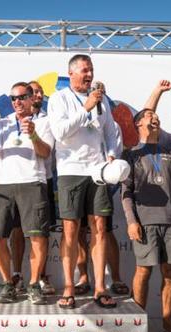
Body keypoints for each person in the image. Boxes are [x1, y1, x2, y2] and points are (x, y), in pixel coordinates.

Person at [48, 54, 122, 309]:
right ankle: (69, 286)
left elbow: (111, 133)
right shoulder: (59, 99)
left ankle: (100, 286)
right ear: (71, 73)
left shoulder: (102, 100)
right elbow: (60, 133)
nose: (89, 74)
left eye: (91, 70)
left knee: (100, 228)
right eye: (84, 70)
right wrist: (86, 107)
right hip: (70, 171)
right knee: (70, 231)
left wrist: (111, 154)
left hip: (98, 171)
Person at [121, 104, 171, 332]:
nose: (154, 118)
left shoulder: (170, 152)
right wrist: (132, 221)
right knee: (143, 271)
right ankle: (138, 321)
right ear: (138, 125)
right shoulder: (131, 154)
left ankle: (167, 321)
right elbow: (126, 192)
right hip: (145, 223)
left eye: (156, 115)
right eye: (148, 116)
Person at [0, 82, 53, 305]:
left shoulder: (44, 122)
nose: (17, 102)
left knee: (38, 238)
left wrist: (33, 135)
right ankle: (8, 283)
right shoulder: (1, 124)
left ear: (32, 98)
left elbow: (45, 153)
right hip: (3, 185)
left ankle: (33, 284)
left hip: (33, 183)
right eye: (13, 98)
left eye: (22, 97)